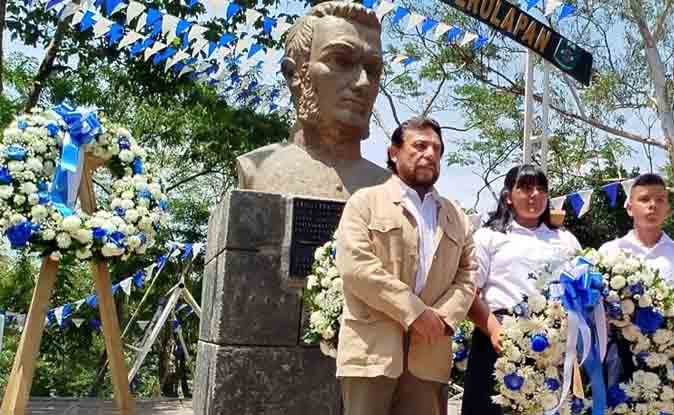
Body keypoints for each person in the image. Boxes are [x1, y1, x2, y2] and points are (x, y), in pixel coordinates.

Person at [335, 116, 478, 415]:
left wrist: (441, 318)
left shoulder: (456, 216)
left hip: (430, 355)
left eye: (437, 149)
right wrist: (413, 312)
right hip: (370, 356)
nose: (430, 154)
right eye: (420, 145)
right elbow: (356, 267)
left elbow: (468, 275)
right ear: (393, 152)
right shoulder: (365, 202)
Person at [461, 164, 583, 415]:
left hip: (551, 351)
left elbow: (582, 295)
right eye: (526, 188)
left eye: (541, 189)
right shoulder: (488, 236)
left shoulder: (565, 240)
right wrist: (496, 331)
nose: (534, 195)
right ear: (508, 196)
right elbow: (468, 294)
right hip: (498, 344)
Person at [236, 1, 390, 198]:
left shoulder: (389, 190)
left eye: (372, 69)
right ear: (294, 74)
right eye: (341, 61)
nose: (363, 82)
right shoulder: (256, 169)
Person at [598, 173, 674, 327]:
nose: (652, 205)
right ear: (629, 208)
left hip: (668, 347)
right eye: (644, 199)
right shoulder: (609, 251)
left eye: (660, 200)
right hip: (617, 348)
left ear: (668, 210)